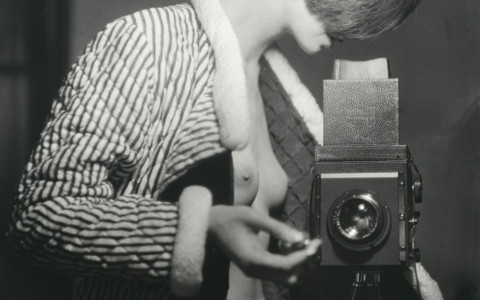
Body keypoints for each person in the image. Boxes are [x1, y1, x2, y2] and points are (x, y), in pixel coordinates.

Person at [6, 0, 442, 299]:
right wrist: (201, 229)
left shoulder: (277, 88)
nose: (368, 29)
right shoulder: (147, 40)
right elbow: (39, 215)